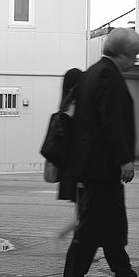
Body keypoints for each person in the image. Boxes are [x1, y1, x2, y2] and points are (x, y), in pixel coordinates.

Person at [61, 28, 139, 277]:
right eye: (135, 54)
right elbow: (111, 122)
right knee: (92, 225)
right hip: (101, 166)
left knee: (112, 224)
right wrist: (124, 160)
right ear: (123, 53)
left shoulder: (94, 71)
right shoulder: (107, 74)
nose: (136, 59)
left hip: (96, 164)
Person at [54, 68, 83, 247]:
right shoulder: (76, 107)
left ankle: (79, 243)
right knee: (83, 210)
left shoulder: (64, 106)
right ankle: (62, 236)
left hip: (69, 168)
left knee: (82, 210)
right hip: (78, 167)